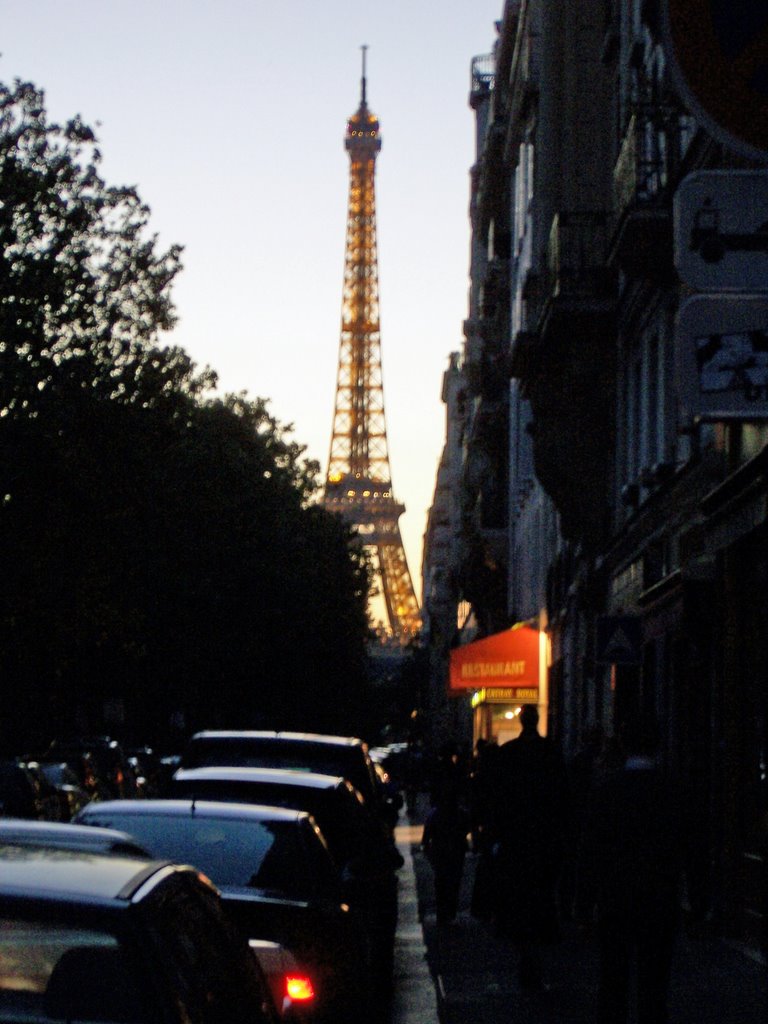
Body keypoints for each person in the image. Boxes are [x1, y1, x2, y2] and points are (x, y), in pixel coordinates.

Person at [577, 717, 684, 1024]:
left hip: (616, 899)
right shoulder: (671, 790)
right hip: (660, 898)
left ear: (624, 746)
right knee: (655, 986)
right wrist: (698, 900)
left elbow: (591, 851)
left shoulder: (607, 791)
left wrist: (583, 904)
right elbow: (690, 845)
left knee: (613, 981)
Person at [486, 705, 569, 990]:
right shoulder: (551, 753)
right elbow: (561, 798)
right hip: (543, 841)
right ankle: (534, 956)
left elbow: (497, 799)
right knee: (541, 899)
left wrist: (497, 835)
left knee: (519, 901)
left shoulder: (508, 754)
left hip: (516, 841)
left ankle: (527, 955)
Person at [422, 741, 470, 926]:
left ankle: (444, 910)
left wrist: (426, 843)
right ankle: (449, 909)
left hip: (442, 835)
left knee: (441, 877)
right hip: (454, 837)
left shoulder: (439, 770)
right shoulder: (456, 770)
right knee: (454, 876)